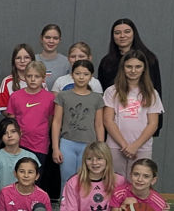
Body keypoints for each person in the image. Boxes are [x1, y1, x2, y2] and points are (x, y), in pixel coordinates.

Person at [102, 49, 164, 180]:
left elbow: (153, 124)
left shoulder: (152, 93)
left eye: (138, 67)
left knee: (138, 183)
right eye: (129, 66)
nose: (133, 70)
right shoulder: (112, 91)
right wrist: (124, 145)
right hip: (116, 146)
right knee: (114, 183)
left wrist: (135, 146)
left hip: (142, 147)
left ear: (144, 69)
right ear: (123, 68)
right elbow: (108, 120)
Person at [50, 58, 103, 200]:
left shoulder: (96, 98)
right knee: (66, 179)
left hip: (89, 145)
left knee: (85, 178)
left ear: (91, 76)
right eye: (78, 73)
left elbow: (99, 124)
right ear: (72, 75)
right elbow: (56, 122)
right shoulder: (63, 96)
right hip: (67, 143)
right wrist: (56, 148)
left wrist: (100, 147)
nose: (81, 77)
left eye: (85, 74)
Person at [6, 62, 55, 178]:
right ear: (24, 77)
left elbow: (51, 120)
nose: (33, 79)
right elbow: (11, 121)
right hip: (20, 144)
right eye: (29, 76)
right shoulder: (15, 96)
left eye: (37, 76)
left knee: (35, 178)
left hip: (40, 145)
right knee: (18, 176)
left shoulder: (50, 98)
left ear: (43, 78)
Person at [97, 18, 162, 94]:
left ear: (134, 33)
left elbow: (156, 88)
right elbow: (101, 90)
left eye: (127, 32)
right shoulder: (106, 62)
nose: (122, 36)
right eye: (117, 33)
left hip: (143, 104)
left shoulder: (149, 58)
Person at [0, 117, 37, 197]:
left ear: (20, 132)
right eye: (5, 133)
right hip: (1, 202)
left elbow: (34, 185)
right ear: (0, 137)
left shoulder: (31, 157)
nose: (9, 135)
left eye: (13, 131)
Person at [36, 24, 67, 90]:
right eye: (47, 37)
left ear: (59, 40)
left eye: (55, 38)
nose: (51, 41)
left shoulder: (67, 63)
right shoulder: (32, 60)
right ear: (41, 39)